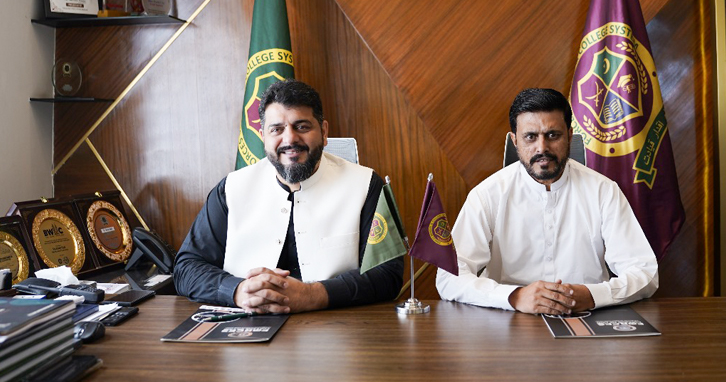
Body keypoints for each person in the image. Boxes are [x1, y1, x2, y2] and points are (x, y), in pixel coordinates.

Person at [174, 79, 403, 313]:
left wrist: (313, 295)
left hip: (338, 332)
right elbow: (186, 268)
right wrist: (237, 290)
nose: (290, 139)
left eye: (302, 126)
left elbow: (387, 274)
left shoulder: (365, 184)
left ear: (323, 132)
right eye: (277, 129)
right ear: (263, 136)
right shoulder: (231, 189)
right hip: (243, 329)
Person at [436, 88, 657, 315]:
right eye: (530, 137)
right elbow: (448, 277)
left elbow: (645, 273)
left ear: (570, 136)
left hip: (589, 320)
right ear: (515, 141)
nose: (542, 148)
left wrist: (592, 295)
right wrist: (514, 296)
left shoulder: (604, 191)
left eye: (553, 135)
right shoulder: (487, 195)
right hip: (508, 322)